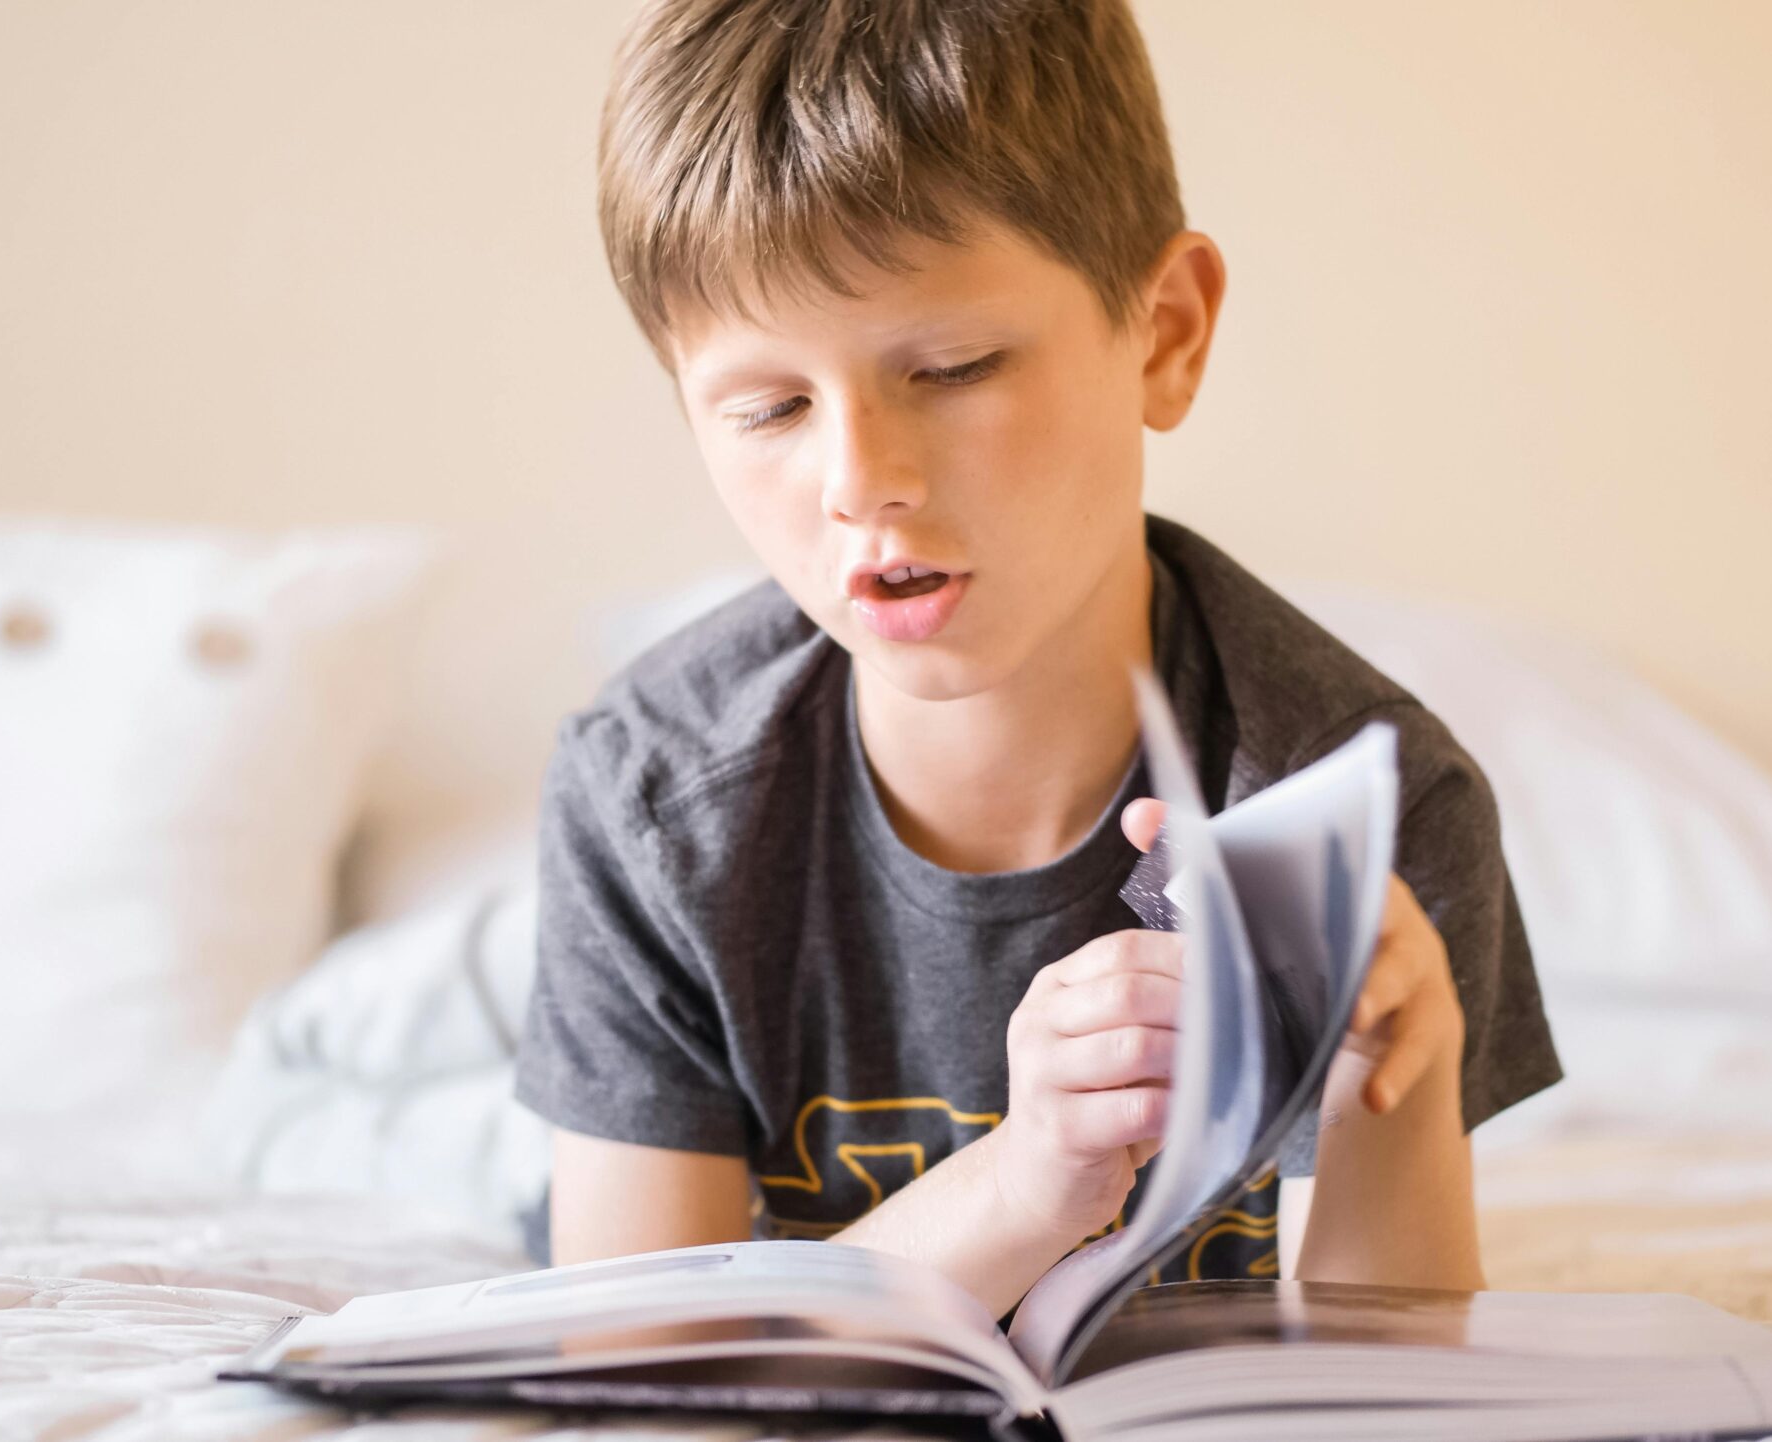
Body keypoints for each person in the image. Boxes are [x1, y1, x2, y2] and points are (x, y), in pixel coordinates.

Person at [515, 0, 1560, 1320]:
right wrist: (1024, 1183)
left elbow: (1389, 1377)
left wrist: (1393, 1092)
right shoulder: (653, 798)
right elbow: (635, 1357)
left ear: (1165, 333)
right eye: (769, 406)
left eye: (951, 367)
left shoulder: (1365, 798)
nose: (861, 483)